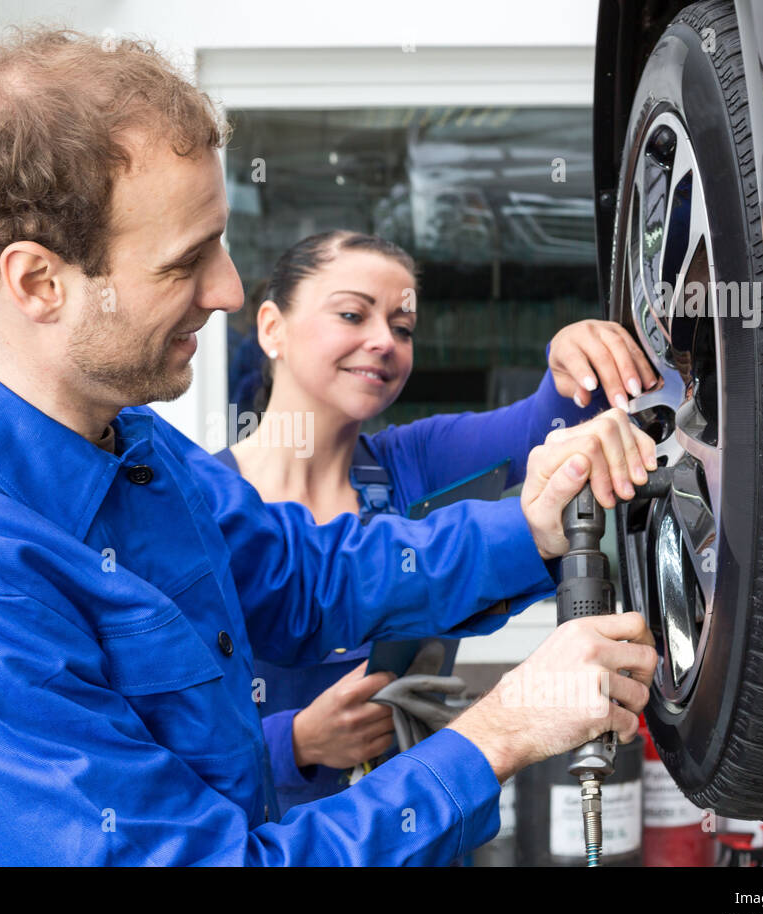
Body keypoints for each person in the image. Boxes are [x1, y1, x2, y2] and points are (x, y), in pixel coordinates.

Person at [0, 25, 658, 866]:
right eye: (184, 263)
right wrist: (498, 733)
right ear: (39, 281)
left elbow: (306, 580)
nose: (230, 290)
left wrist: (533, 529)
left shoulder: (126, 447)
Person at [215, 230, 658, 816]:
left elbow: (552, 421)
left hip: (422, 822)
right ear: (271, 327)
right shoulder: (203, 507)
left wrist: (573, 355)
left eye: (402, 328)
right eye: (353, 313)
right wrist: (293, 743)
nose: (384, 341)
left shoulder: (412, 463)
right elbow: (156, 738)